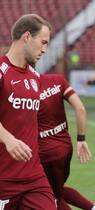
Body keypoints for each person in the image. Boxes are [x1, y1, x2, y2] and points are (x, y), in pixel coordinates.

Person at [0, 14, 56, 209]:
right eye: (43, 42)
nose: (45, 49)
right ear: (27, 36)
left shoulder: (35, 77)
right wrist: (9, 140)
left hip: (33, 176)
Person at [38, 73, 94, 210]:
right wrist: (81, 139)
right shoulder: (57, 79)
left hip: (46, 154)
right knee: (57, 190)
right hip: (65, 148)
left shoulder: (25, 91)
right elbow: (80, 108)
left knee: (52, 196)